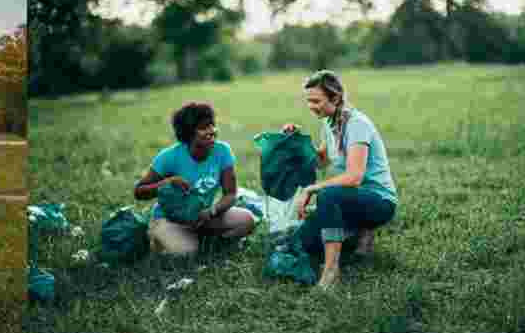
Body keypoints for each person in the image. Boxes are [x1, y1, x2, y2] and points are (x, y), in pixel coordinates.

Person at [283, 70, 398, 288]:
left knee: (328, 196)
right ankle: (355, 236)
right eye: (308, 101)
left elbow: (354, 177)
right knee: (302, 242)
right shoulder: (328, 123)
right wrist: (297, 142)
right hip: (350, 200)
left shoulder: (357, 124)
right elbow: (321, 161)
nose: (311, 106)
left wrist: (312, 189)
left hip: (378, 201)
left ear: (335, 98)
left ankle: (331, 270)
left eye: (316, 101)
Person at [133, 101, 257, 256]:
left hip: (203, 217)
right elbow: (139, 191)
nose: (211, 131)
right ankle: (158, 236)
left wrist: (212, 211)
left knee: (247, 220)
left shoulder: (222, 151)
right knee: (187, 252)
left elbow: (230, 194)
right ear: (188, 133)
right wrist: (167, 183)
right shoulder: (169, 157)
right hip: (170, 220)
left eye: (212, 125)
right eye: (203, 128)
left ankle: (211, 242)